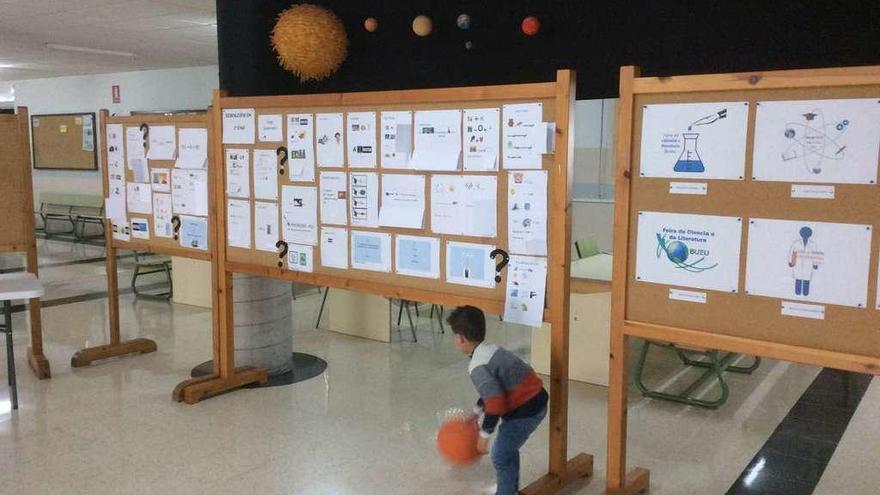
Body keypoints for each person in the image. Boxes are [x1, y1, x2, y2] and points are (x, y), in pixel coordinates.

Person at [447, 305, 548, 495]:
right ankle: (510, 489)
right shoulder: (490, 350)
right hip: (536, 398)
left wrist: (484, 437)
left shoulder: (477, 366)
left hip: (526, 410)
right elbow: (494, 389)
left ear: (460, 338)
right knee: (507, 450)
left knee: (500, 455)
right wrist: (475, 413)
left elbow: (495, 402)